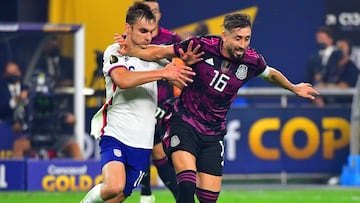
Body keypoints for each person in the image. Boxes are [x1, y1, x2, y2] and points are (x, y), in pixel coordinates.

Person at [116, 13, 319, 203]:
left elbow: (271, 73)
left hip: (213, 134)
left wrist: (294, 88)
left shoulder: (252, 61)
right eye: (238, 38)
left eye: (247, 38)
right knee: (186, 185)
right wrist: (132, 50)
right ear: (225, 36)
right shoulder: (201, 46)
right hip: (183, 121)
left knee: (208, 198)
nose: (243, 45)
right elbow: (160, 51)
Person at [80, 2, 195, 203]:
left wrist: (185, 66)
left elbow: (173, 58)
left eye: (151, 32)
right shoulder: (115, 51)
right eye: (142, 31)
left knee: (120, 195)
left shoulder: (153, 54)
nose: (148, 37)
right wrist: (163, 73)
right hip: (116, 133)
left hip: (143, 141)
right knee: (112, 186)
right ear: (128, 28)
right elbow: (123, 80)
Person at [139, 1, 182, 202]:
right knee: (142, 148)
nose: (151, 15)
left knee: (159, 152)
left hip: (164, 105)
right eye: (147, 12)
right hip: (138, 103)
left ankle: (177, 195)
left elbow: (182, 68)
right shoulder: (128, 42)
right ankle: (146, 193)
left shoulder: (171, 39)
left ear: (160, 14)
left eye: (154, 11)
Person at [313, 38, 359, 106]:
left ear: (349, 50)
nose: (339, 50)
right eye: (337, 47)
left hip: (345, 106)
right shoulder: (331, 66)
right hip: (327, 106)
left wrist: (326, 87)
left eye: (341, 47)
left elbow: (343, 86)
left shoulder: (352, 69)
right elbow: (322, 83)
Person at [304, 26, 342, 106]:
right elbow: (309, 80)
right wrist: (315, 96)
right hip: (317, 101)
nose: (319, 41)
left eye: (322, 38)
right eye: (317, 38)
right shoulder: (313, 59)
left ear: (330, 40)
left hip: (336, 100)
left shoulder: (339, 56)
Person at [0, 61, 30, 159]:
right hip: (5, 128)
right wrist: (16, 100)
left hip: (25, 130)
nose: (13, 75)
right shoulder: (2, 90)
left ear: (19, 72)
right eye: (10, 73)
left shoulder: (27, 89)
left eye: (15, 72)